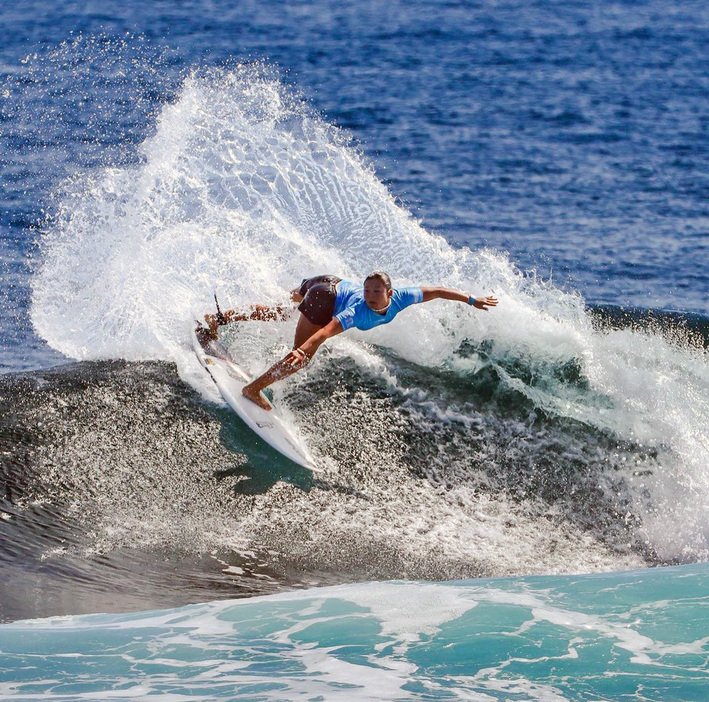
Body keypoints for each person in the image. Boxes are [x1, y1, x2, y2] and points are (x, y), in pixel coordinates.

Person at [205, 272, 498, 411]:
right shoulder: (358, 310)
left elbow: (437, 290)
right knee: (301, 357)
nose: (370, 296)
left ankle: (218, 319)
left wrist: (472, 300)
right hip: (325, 294)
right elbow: (326, 331)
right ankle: (254, 389)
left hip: (326, 279)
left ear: (390, 293)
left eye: (376, 292)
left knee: (280, 311)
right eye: (368, 290)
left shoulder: (404, 297)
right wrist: (304, 350)